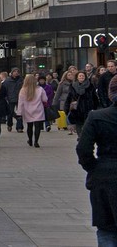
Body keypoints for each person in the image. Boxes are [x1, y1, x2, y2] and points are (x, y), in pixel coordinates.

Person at [76, 76, 117, 247]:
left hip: (105, 177)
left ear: (110, 94)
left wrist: (94, 169)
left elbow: (83, 149)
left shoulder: (97, 117)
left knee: (107, 229)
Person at [16, 73, 48, 147]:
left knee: (29, 126)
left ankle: (30, 140)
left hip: (27, 110)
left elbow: (20, 102)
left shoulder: (23, 90)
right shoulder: (40, 89)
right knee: (37, 126)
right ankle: (36, 141)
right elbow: (45, 99)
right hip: (38, 109)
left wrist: (19, 113)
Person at [69, 70, 100, 137]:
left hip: (88, 107)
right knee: (78, 124)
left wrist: (96, 107)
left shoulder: (90, 85)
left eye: (83, 76)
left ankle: (86, 136)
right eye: (80, 76)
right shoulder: (73, 86)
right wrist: (66, 108)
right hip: (77, 108)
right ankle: (80, 136)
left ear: (85, 77)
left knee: (87, 123)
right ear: (77, 77)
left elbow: (94, 97)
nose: (81, 77)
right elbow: (69, 97)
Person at [2, 68, 24, 133]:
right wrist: (6, 98)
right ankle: (9, 124)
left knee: (20, 113)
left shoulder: (21, 80)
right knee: (10, 113)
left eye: (17, 71)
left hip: (19, 98)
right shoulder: (7, 81)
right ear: (12, 73)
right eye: (15, 71)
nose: (16, 73)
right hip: (10, 99)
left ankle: (19, 127)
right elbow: (4, 90)